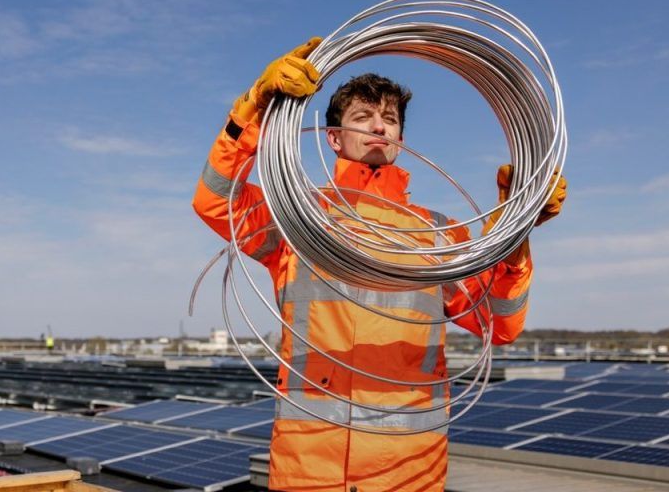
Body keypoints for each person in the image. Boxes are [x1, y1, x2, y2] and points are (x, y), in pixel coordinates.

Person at [192, 38, 566, 491]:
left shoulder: (438, 234)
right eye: (363, 117)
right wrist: (255, 107)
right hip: (309, 466)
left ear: (401, 141)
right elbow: (215, 199)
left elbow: (501, 323)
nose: (378, 127)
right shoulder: (298, 217)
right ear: (333, 137)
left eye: (389, 119)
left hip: (406, 471)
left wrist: (515, 235)